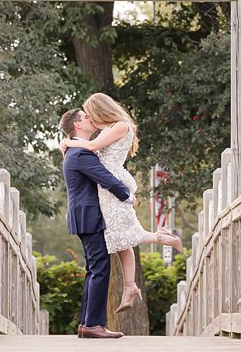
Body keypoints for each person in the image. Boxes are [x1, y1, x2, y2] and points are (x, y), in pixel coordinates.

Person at [60, 93, 184, 313]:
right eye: (86, 116)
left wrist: (67, 142)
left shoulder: (120, 126)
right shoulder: (110, 130)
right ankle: (130, 285)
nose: (91, 118)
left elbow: (91, 147)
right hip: (108, 184)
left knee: (123, 235)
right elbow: (91, 150)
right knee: (121, 237)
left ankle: (163, 239)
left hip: (112, 182)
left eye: (92, 113)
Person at [60, 107, 134, 339]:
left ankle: (87, 323)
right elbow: (104, 177)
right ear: (77, 125)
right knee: (100, 268)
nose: (91, 119)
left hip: (84, 215)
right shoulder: (82, 154)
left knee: (94, 268)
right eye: (86, 117)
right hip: (89, 215)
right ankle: (94, 324)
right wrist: (126, 194)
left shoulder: (76, 151)